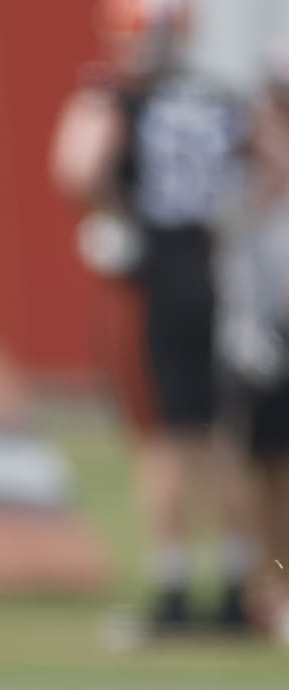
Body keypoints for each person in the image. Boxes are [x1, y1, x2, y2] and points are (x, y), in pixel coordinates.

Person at [51, 0, 253, 635]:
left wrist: (119, 218)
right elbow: (273, 160)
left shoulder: (119, 98)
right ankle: (233, 592)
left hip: (152, 274)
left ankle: (170, 594)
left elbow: (78, 167)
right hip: (205, 263)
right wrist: (230, 222)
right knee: (214, 435)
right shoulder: (219, 98)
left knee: (160, 437)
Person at [218, 37, 289, 643]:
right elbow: (233, 232)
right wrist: (243, 324)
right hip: (266, 321)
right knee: (263, 463)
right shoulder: (244, 143)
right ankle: (274, 586)